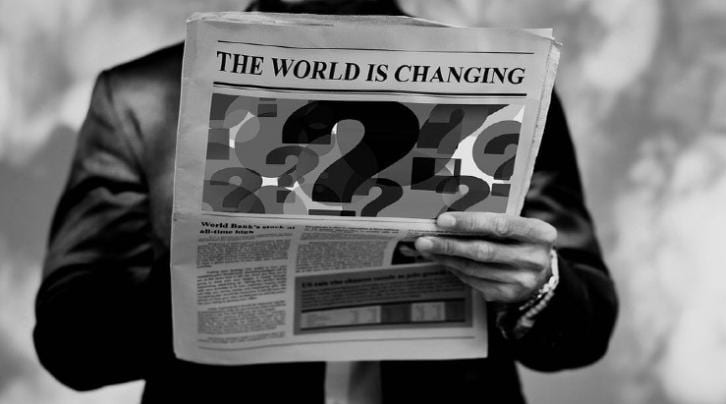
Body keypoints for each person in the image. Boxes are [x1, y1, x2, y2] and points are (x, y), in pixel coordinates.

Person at [34, 0, 618, 403]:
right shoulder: (139, 98)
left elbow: (587, 326)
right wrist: (206, 265)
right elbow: (72, 345)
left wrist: (538, 287)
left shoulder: (502, 86)